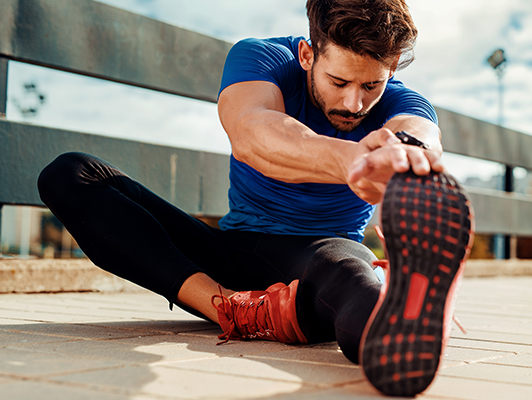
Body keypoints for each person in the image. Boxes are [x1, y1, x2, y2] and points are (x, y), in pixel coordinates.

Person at [37, 0, 473, 396]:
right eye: (338, 81)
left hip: (321, 255)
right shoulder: (262, 58)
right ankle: (229, 308)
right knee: (72, 174)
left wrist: (406, 158)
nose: (354, 102)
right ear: (308, 54)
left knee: (350, 282)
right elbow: (253, 132)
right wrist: (353, 160)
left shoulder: (405, 102)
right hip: (231, 250)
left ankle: (406, 325)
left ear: (392, 70)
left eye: (372, 86)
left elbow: (419, 138)